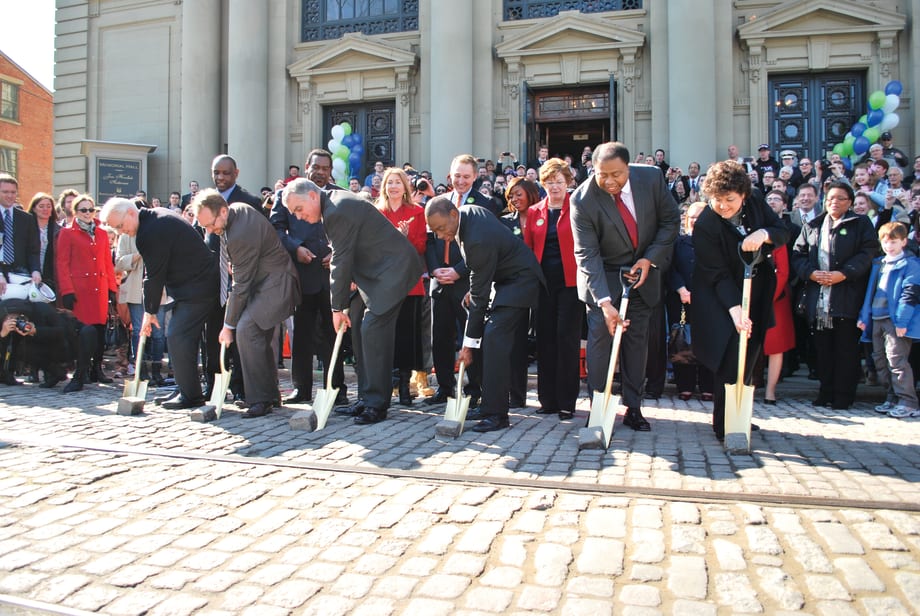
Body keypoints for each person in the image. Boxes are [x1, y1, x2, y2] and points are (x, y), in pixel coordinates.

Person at [282, 178, 423, 425]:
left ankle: (377, 404)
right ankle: (366, 397)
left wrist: (337, 308)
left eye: (299, 209)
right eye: (294, 213)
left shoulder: (337, 209)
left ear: (313, 196)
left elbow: (340, 259)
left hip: (394, 270)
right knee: (357, 325)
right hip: (374, 274)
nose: (299, 216)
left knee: (372, 330)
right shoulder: (333, 206)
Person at [570, 142, 680, 432]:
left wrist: (650, 259)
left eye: (616, 174)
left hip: (643, 275)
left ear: (628, 168)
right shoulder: (581, 200)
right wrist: (605, 303)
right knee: (599, 346)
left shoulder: (652, 179)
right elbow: (586, 254)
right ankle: (600, 407)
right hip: (603, 278)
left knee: (636, 345)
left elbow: (670, 221)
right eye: (601, 174)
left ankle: (634, 407)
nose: (609, 181)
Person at [426, 196, 543, 432]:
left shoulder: (475, 240)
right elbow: (481, 268)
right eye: (434, 231)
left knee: (494, 339)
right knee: (492, 339)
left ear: (453, 215)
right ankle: (489, 404)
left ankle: (497, 415)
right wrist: (474, 287)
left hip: (521, 281)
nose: (439, 235)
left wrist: (467, 345)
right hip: (505, 281)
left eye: (440, 228)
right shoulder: (468, 212)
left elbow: (479, 301)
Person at [691, 160, 789, 441]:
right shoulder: (707, 224)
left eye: (729, 200)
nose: (723, 206)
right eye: (717, 200)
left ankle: (742, 414)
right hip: (719, 294)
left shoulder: (756, 200)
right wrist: (735, 311)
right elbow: (716, 273)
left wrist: (765, 233)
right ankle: (724, 423)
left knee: (752, 351)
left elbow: (781, 230)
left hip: (756, 287)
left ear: (743, 195)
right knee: (730, 353)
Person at [99, 197, 219, 409]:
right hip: (193, 286)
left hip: (198, 287)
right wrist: (150, 310)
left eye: (120, 226)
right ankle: (185, 389)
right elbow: (152, 271)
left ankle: (191, 395)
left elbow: (154, 276)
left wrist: (149, 311)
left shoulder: (150, 230)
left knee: (177, 336)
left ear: (130, 213)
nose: (120, 232)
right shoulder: (154, 218)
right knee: (179, 338)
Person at [192, 190, 300, 418]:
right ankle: (268, 396)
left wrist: (227, 326)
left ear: (223, 210)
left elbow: (240, 285)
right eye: (205, 228)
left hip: (277, 285)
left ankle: (260, 398)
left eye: (211, 224)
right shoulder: (236, 211)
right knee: (258, 335)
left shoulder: (239, 233)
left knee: (246, 329)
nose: (210, 231)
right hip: (266, 284)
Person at [791, 180, 878, 410]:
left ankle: (843, 396)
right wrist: (810, 273)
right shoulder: (813, 225)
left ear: (849, 202)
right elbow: (798, 255)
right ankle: (825, 391)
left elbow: (867, 253)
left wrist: (844, 274)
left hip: (846, 297)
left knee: (845, 351)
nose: (834, 202)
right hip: (818, 297)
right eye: (830, 198)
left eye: (840, 198)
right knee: (823, 350)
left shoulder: (861, 223)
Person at [423, 154, 497, 406]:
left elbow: (485, 247)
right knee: (440, 337)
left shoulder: (485, 204)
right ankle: (445, 387)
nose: (461, 181)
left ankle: (475, 389)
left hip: (467, 280)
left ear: (475, 177)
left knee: (471, 336)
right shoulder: (438, 203)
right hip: (439, 281)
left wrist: (458, 270)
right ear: (449, 175)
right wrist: (435, 269)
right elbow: (430, 241)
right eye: (457, 176)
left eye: (466, 176)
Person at [270, 173, 344, 408]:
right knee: (301, 335)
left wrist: (337, 252)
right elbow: (276, 230)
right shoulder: (287, 195)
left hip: (332, 276)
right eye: (315, 167)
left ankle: (336, 388)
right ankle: (302, 388)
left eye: (325, 167)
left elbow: (347, 231)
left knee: (333, 334)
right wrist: (296, 248)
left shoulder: (337, 195)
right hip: (303, 275)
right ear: (307, 169)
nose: (320, 172)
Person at [523, 159, 582, 420]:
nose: (554, 186)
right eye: (549, 182)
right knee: (545, 341)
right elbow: (527, 247)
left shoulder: (578, 207)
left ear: (568, 182)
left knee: (566, 341)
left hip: (571, 285)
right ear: (542, 183)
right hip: (543, 285)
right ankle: (547, 400)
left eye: (559, 181)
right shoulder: (535, 211)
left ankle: (567, 401)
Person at [858, 222, 920, 418]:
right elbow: (870, 292)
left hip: (895, 321)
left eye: (893, 242)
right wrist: (864, 316)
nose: (889, 246)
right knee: (879, 360)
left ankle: (908, 401)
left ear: (903, 242)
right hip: (876, 317)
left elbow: (909, 294)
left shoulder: (910, 265)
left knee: (897, 360)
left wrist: (902, 321)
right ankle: (892, 397)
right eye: (885, 242)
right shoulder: (880, 264)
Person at [55, 194, 117, 391]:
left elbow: (107, 262)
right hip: (79, 290)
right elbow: (62, 263)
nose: (88, 213)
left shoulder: (100, 233)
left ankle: (96, 369)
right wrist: (67, 290)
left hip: (98, 289)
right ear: (75, 212)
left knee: (99, 331)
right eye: (83, 210)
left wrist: (111, 289)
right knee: (84, 331)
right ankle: (80, 372)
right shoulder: (67, 233)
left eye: (91, 209)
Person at [376, 168, 427, 406]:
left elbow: (421, 247)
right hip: (384, 284)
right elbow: (373, 247)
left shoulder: (417, 212)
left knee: (407, 337)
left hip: (409, 283)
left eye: (398, 182)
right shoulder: (377, 213)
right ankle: (387, 385)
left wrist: (404, 238)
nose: (394, 187)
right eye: (390, 183)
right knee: (386, 337)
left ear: (405, 187)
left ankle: (406, 387)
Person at [666, 202, 714, 401]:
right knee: (681, 341)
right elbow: (669, 267)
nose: (695, 221)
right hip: (681, 299)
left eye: (699, 216)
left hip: (708, 301)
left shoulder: (715, 243)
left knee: (708, 343)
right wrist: (681, 288)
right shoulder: (678, 242)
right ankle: (684, 385)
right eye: (691, 217)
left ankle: (707, 386)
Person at [115, 226, 168, 387]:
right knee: (139, 332)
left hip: (158, 290)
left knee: (158, 333)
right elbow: (119, 263)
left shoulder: (159, 233)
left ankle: (157, 371)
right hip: (134, 291)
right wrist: (138, 255)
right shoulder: (126, 236)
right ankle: (141, 371)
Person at [25, 193, 59, 295]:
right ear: (34, 209)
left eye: (49, 206)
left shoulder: (59, 231)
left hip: (51, 275)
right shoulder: (25, 228)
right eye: (41, 206)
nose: (45, 209)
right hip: (28, 273)